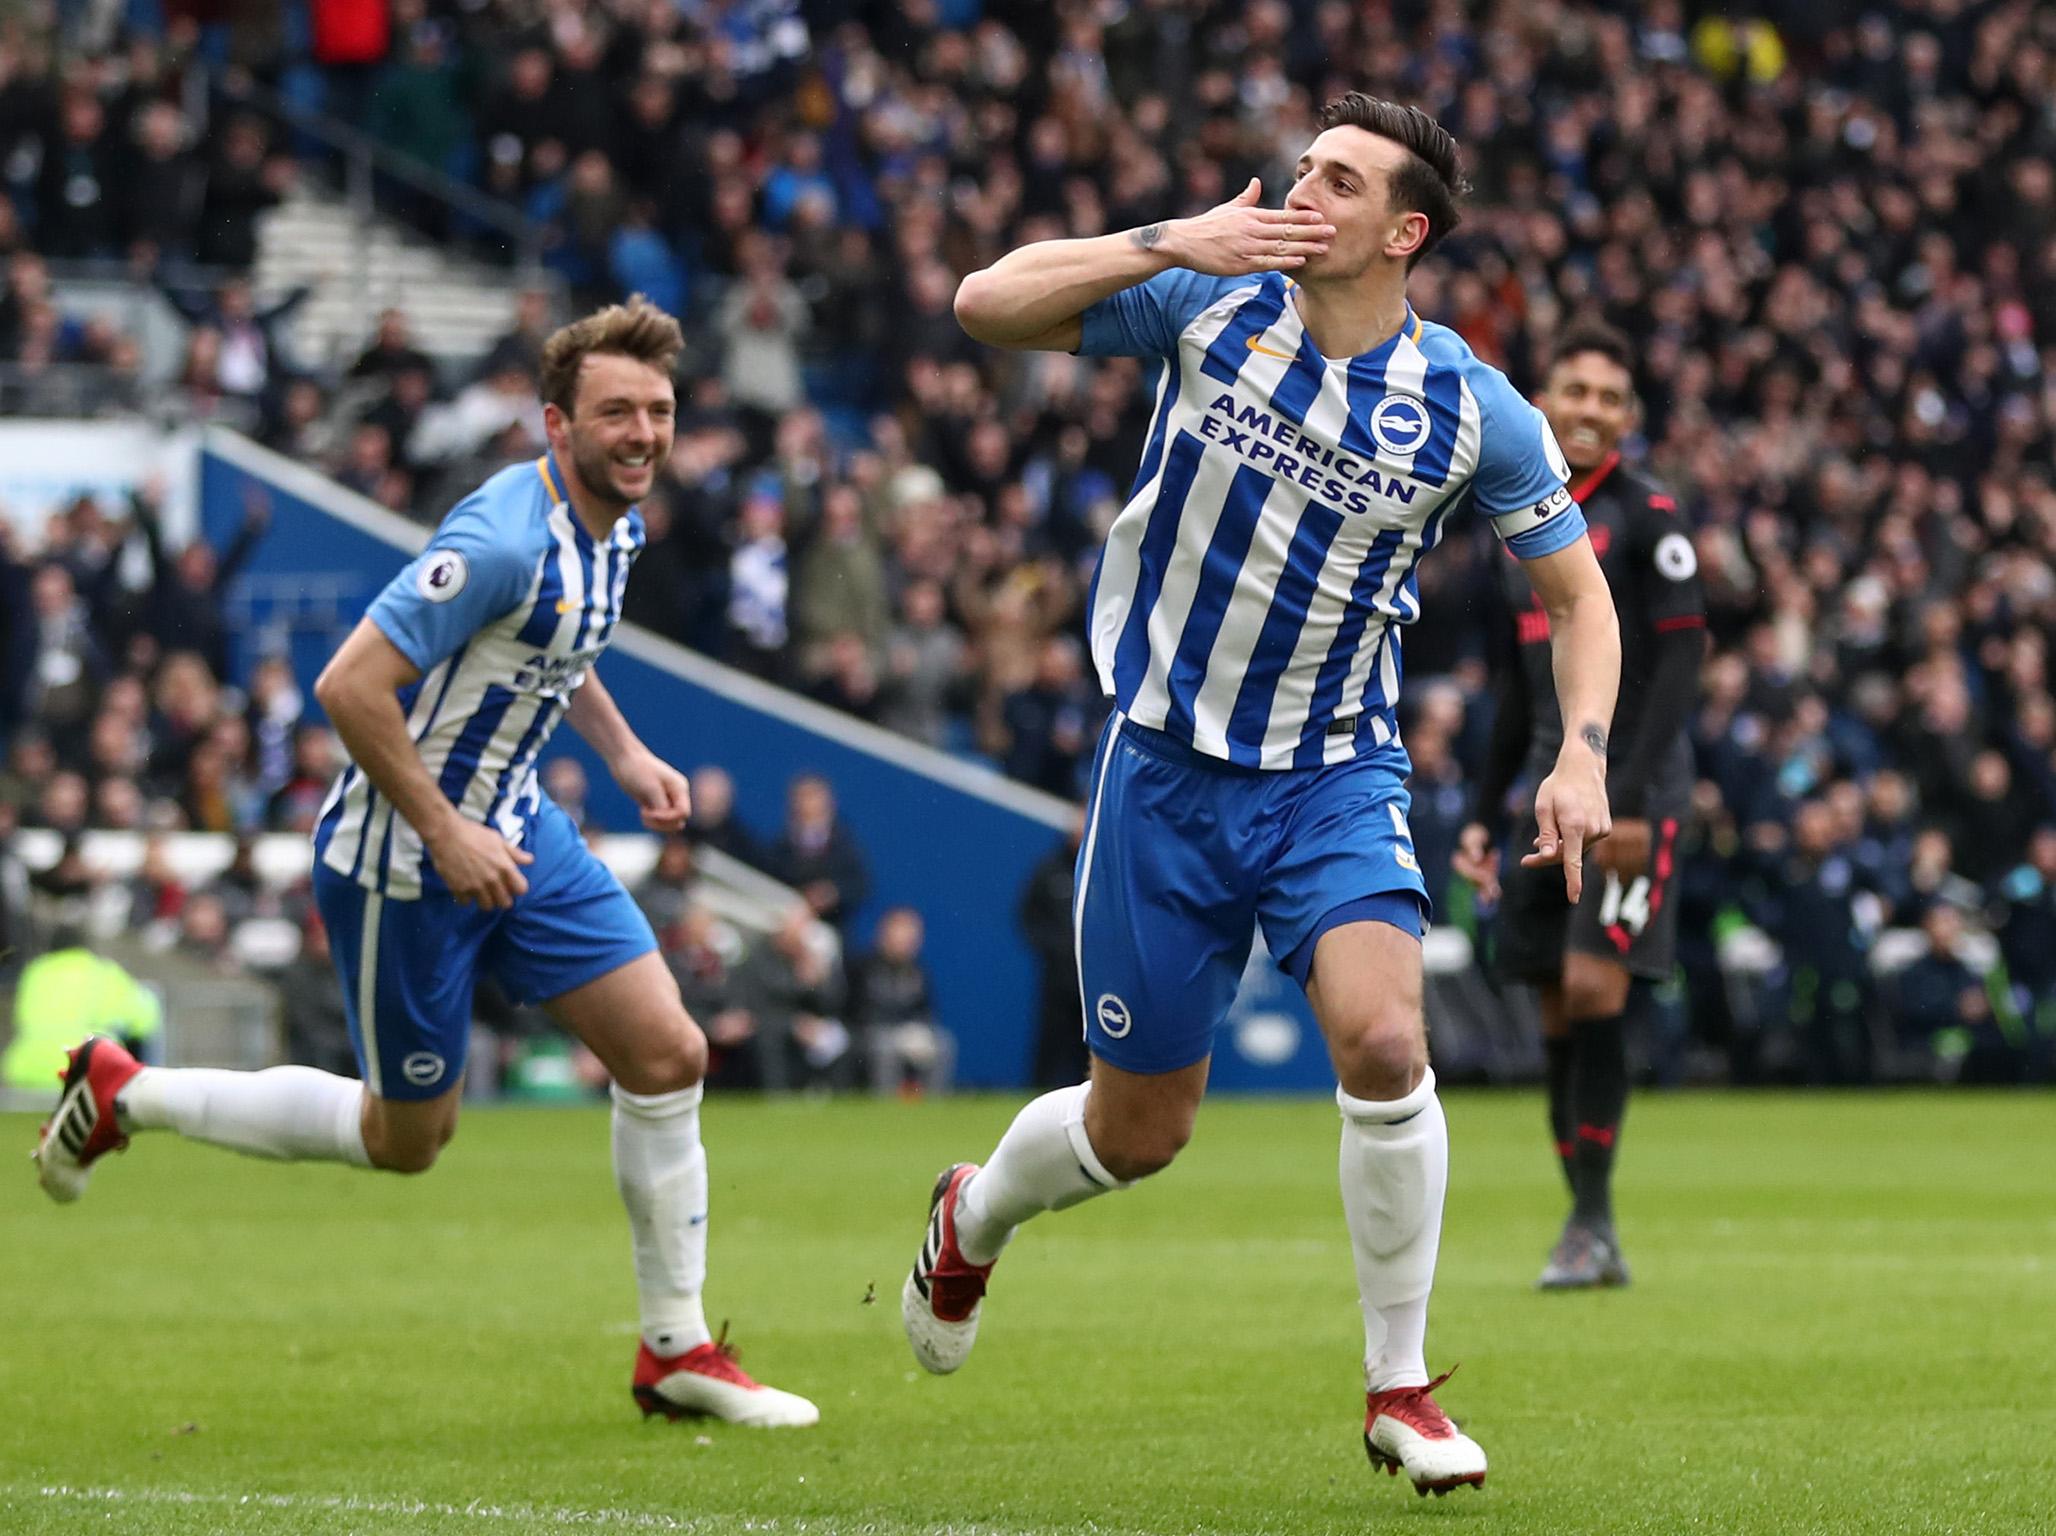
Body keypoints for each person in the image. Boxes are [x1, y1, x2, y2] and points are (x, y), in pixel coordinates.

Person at [900, 94, 1618, 1498]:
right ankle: (974, 1215)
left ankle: (1399, 1390)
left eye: (1337, 180)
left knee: (1384, 1038)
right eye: (1301, 168)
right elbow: (985, 302)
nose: (1302, 191)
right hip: (1163, 767)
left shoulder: (1469, 407)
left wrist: (1579, 750)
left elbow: (1580, 597)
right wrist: (1178, 235)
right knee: (1140, 1131)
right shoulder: (1202, 303)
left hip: (1332, 773)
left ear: (1403, 231)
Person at [32, 298, 817, 1430]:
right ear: (557, 424)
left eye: (656, 410)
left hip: (521, 830)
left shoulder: (616, 525)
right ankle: (125, 1092)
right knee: (408, 1142)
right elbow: (349, 685)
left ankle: (675, 1350)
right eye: (615, 413)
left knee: (667, 1051)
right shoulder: (500, 539)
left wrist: (628, 754)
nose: (642, 432)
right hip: (405, 861)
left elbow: (563, 648)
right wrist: (446, 835)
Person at [1451, 321, 1706, 1290]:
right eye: (1575, 391)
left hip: (1630, 792)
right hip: (1546, 793)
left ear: (1628, 417)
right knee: (1555, 1010)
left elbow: (1681, 663)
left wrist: (1633, 794)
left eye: (1608, 396)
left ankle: (1591, 1222)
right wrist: (1481, 810)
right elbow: (1520, 688)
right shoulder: (1519, 516)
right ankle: (1585, 1222)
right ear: (1544, 400)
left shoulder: (1650, 517)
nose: (1590, 410)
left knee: (1598, 988)